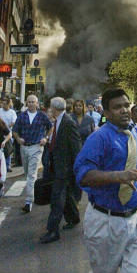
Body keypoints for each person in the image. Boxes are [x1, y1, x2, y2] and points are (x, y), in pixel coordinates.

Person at [74, 87, 137, 273]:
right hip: (106, 222)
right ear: (106, 112)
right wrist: (119, 176)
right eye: (117, 107)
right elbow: (83, 175)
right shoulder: (99, 139)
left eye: (126, 105)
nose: (124, 110)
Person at [38, 97, 81, 244]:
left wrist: (77, 169)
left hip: (64, 168)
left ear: (55, 108)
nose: (49, 110)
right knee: (66, 194)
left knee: (56, 199)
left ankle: (52, 230)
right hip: (56, 166)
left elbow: (76, 147)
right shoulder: (58, 121)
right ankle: (74, 218)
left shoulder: (68, 123)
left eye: (50, 107)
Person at [12, 94, 52, 213]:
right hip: (24, 147)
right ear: (26, 103)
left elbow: (51, 127)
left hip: (36, 147)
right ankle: (31, 194)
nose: (31, 104)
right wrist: (18, 139)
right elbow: (15, 130)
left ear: (37, 103)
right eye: (29, 102)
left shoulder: (42, 116)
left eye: (33, 102)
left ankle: (29, 201)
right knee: (27, 173)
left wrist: (45, 138)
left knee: (32, 174)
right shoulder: (22, 116)